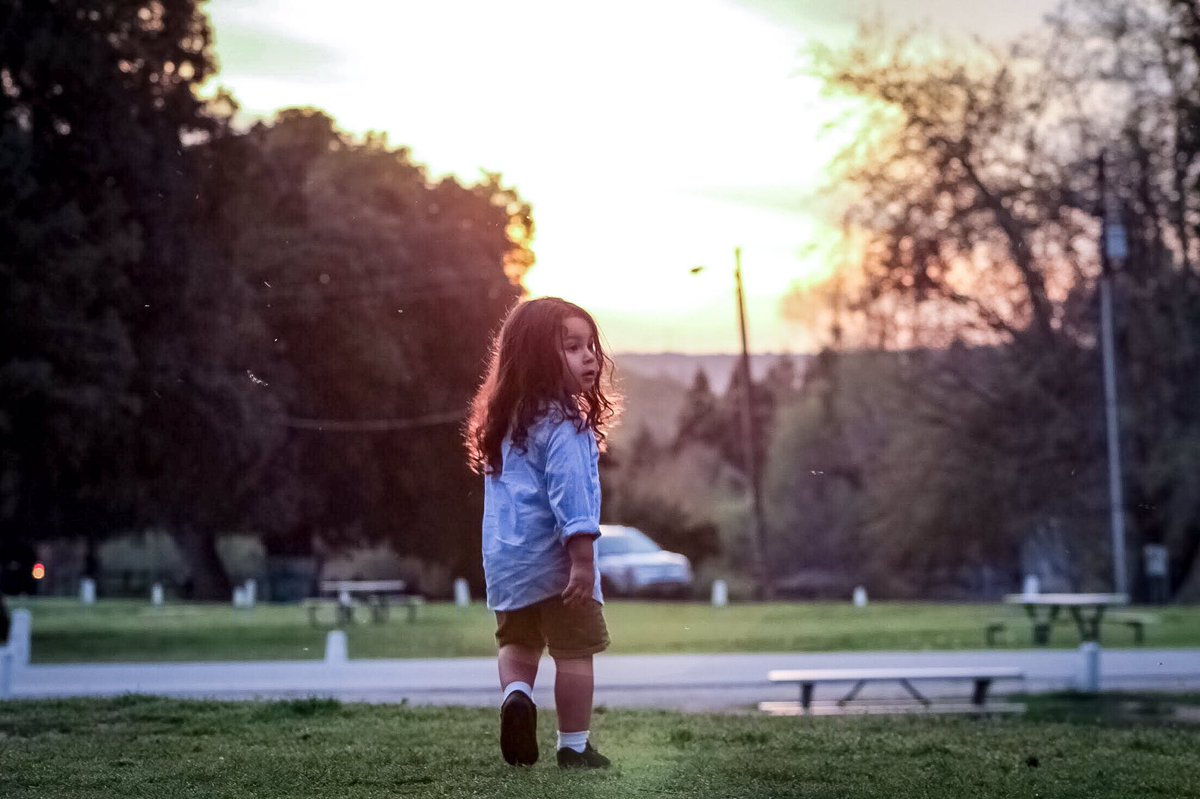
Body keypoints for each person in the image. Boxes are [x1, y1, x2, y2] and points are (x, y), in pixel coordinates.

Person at [465, 297, 619, 769]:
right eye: (572, 347)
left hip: (509, 564)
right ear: (537, 358)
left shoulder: (503, 424)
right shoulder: (567, 425)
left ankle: (515, 696)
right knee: (575, 652)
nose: (590, 356)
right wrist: (583, 561)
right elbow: (571, 500)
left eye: (590, 345)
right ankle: (573, 746)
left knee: (518, 643)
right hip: (558, 566)